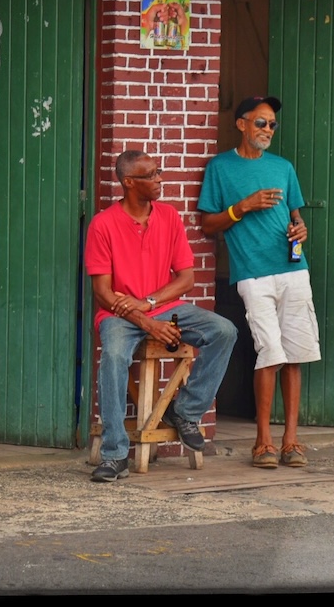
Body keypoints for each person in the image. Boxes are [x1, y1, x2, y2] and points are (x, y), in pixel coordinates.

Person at [84, 149, 238, 483]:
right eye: (151, 175)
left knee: (223, 331)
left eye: (159, 172)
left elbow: (186, 278)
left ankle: (185, 410)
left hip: (163, 307)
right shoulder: (103, 224)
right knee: (112, 356)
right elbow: (103, 293)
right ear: (129, 182)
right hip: (117, 314)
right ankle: (114, 455)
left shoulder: (168, 217)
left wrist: (148, 302)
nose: (159, 179)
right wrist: (145, 320)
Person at [198, 96, 322, 469]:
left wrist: (301, 231)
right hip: (252, 273)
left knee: (295, 355)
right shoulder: (220, 168)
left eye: (272, 125)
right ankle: (263, 442)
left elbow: (296, 219)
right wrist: (244, 206)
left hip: (292, 270)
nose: (268, 130)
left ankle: (291, 442)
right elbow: (207, 224)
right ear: (241, 124)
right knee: (269, 352)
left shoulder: (283, 167)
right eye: (261, 123)